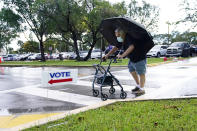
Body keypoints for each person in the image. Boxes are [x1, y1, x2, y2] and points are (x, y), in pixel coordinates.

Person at [103, 28, 147, 95]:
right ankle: (138, 86)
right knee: (132, 70)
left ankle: (142, 89)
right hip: (132, 58)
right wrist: (107, 55)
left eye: (118, 36)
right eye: (116, 36)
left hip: (139, 57)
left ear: (121, 33)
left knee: (141, 73)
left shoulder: (129, 37)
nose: (117, 37)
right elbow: (116, 47)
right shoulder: (122, 39)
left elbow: (131, 47)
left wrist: (122, 55)